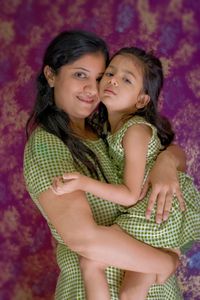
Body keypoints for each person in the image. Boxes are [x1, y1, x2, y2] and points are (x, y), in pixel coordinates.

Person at [23, 30, 187, 300]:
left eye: (99, 77)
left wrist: (167, 162)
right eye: (79, 74)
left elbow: (162, 148)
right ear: (51, 75)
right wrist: (164, 262)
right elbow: (84, 238)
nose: (91, 88)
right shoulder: (48, 143)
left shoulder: (107, 131)